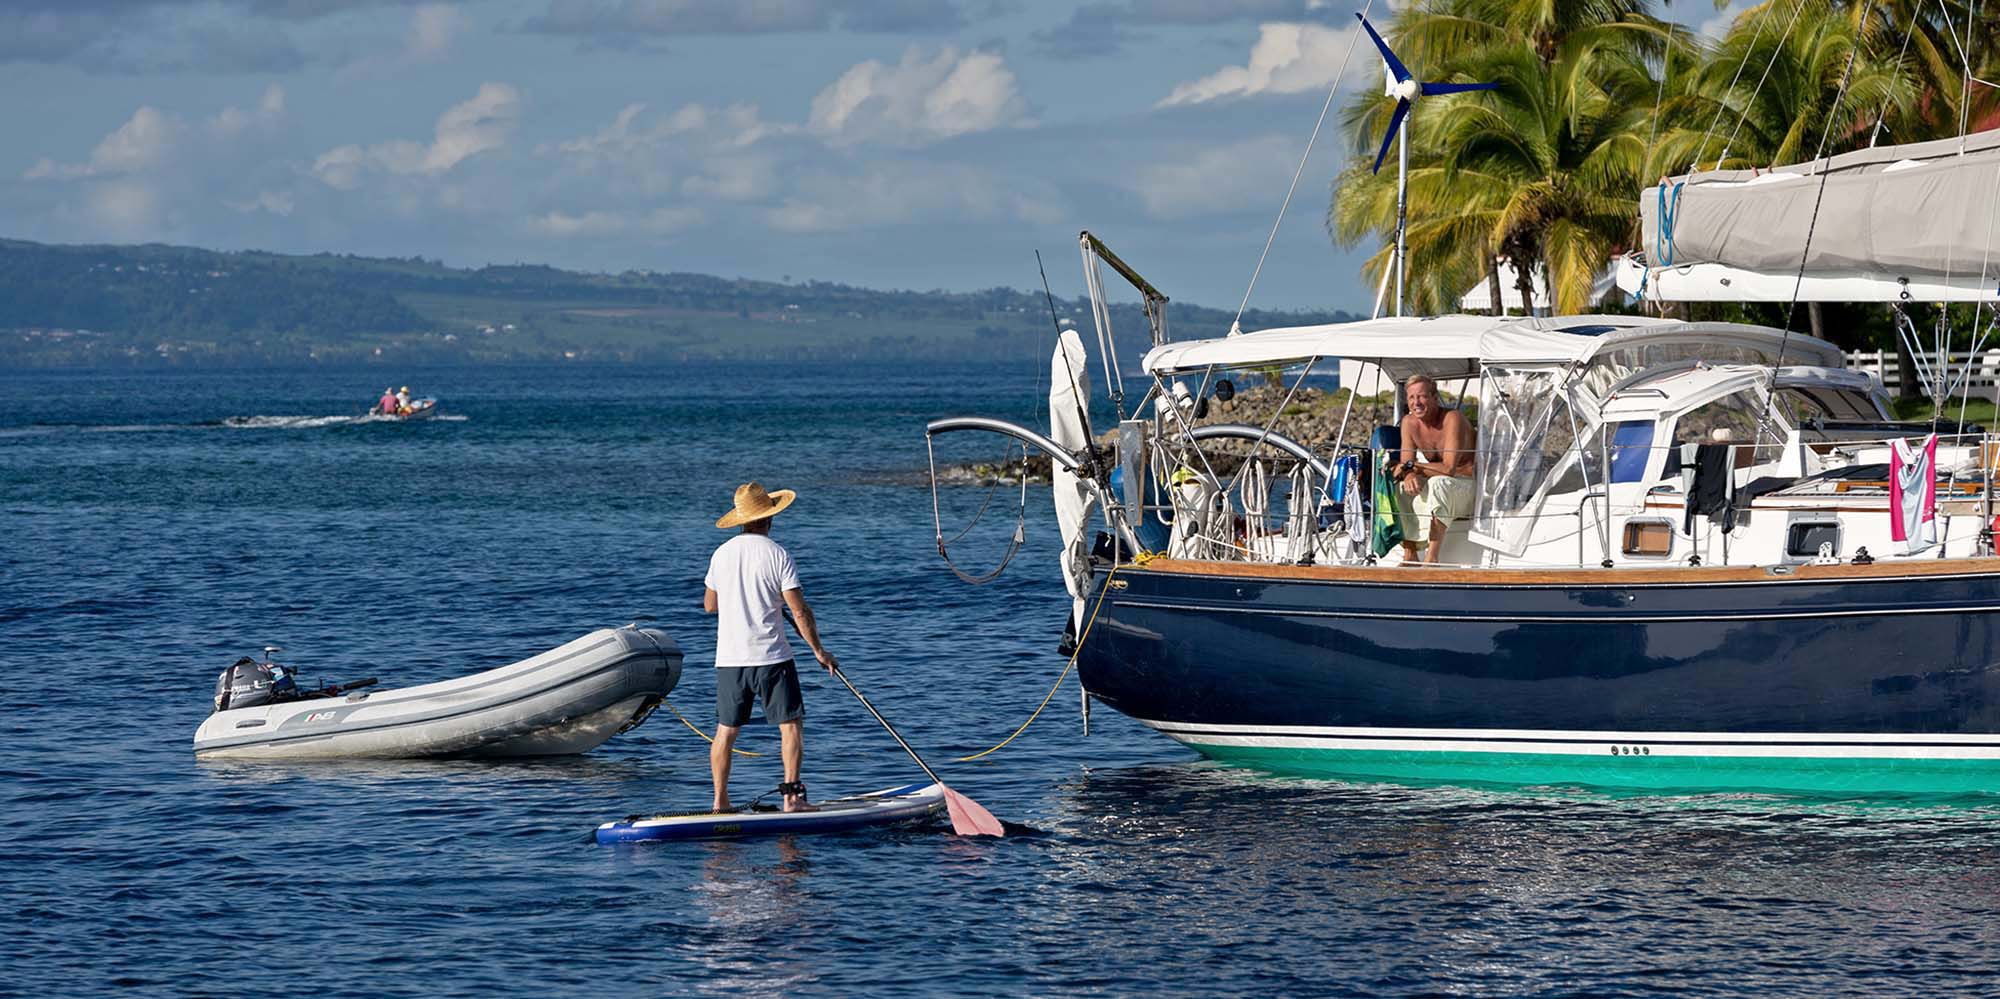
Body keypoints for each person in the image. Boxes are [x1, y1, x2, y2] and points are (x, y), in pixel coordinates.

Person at [703, 481, 837, 813]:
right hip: (772, 657)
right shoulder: (777, 554)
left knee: (726, 732)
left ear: (741, 519)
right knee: (790, 727)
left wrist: (742, 597)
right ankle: (792, 799)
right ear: (769, 518)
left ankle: (720, 801)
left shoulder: (721, 554)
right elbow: (800, 611)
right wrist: (820, 652)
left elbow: (710, 605)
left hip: (731, 659)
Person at [1393, 374, 1477, 564]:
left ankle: (1432, 557)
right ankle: (1410, 555)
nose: (1417, 403)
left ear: (1434, 397)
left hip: (1468, 486)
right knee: (1400, 486)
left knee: (1439, 483)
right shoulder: (1409, 422)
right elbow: (1407, 464)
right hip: (1444, 482)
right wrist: (1409, 474)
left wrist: (1413, 467)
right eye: (1412, 398)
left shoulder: (1452, 418)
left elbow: (1448, 469)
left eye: (1422, 396)